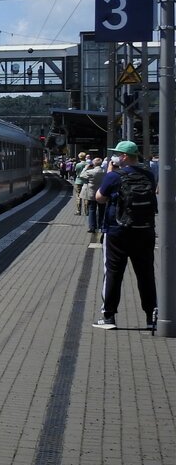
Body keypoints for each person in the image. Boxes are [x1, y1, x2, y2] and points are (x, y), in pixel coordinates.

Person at [92, 140, 158, 330]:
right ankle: (151, 318)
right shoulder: (149, 174)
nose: (115, 157)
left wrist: (110, 173)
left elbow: (100, 198)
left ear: (124, 157)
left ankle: (108, 317)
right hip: (145, 231)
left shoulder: (114, 176)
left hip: (117, 231)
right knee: (146, 274)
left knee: (113, 273)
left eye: (117, 154)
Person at [79, 157, 106, 237]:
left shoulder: (90, 172)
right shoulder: (104, 171)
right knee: (102, 210)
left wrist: (85, 168)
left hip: (91, 193)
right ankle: (101, 225)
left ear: (94, 163)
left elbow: (81, 175)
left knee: (92, 210)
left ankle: (92, 227)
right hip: (101, 193)